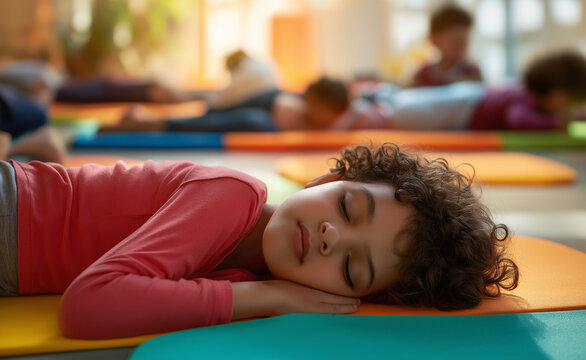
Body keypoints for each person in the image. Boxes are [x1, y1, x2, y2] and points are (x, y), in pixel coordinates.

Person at [0, 142, 519, 339]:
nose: (329, 237)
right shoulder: (232, 195)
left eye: (352, 269)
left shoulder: (251, 267)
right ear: (323, 181)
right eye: (346, 207)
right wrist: (266, 297)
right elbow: (89, 305)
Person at [358, 49, 586, 132]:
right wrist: (560, 122)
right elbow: (517, 120)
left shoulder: (522, 92)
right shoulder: (524, 100)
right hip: (465, 105)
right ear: (557, 95)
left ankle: (379, 95)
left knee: (407, 105)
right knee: (399, 115)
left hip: (469, 98)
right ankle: (370, 101)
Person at [98, 76, 352, 133]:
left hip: (265, 121)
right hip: (272, 101)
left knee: (237, 119)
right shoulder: (297, 98)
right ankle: (148, 117)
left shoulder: (336, 120)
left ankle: (149, 123)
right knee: (215, 108)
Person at [0, 61, 68, 163]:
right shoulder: (37, 112)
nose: (51, 102)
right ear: (38, 86)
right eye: (51, 95)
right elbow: (51, 143)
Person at [411, 3, 482, 87]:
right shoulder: (422, 74)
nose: (461, 49)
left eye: (465, 44)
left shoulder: (472, 72)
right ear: (434, 39)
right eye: (456, 42)